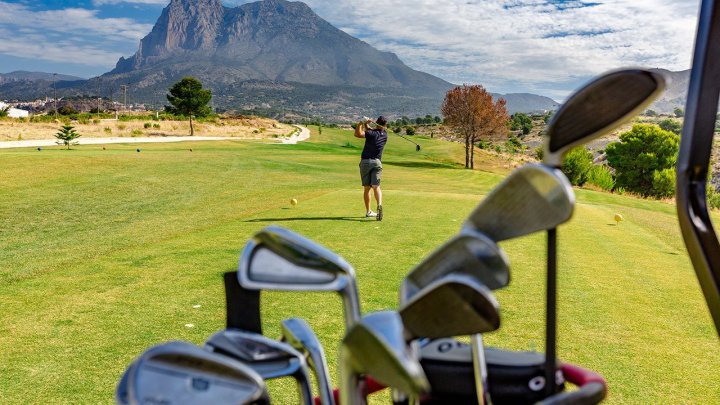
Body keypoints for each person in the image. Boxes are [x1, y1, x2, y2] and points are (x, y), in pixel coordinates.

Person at [354, 115, 388, 221]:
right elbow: (371, 131)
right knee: (376, 186)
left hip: (365, 162)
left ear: (376, 122)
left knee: (367, 188)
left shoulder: (371, 133)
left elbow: (357, 134)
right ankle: (379, 205)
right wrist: (367, 124)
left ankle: (369, 211)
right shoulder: (385, 135)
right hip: (377, 163)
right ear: (385, 125)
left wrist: (361, 122)